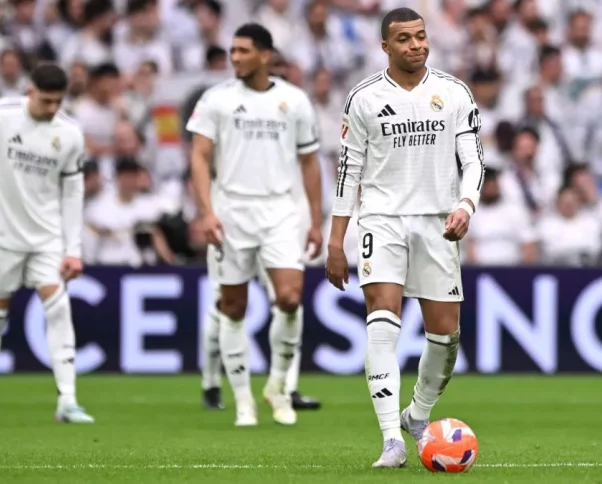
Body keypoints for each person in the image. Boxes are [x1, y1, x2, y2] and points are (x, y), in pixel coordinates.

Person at [325, 8, 484, 468]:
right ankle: (391, 441)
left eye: (420, 36)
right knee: (382, 317)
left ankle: (417, 415)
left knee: (446, 335)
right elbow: (348, 172)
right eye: (404, 39)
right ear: (385, 46)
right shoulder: (364, 98)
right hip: (382, 219)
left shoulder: (453, 92)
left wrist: (466, 205)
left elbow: (473, 160)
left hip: (438, 221)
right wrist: (336, 240)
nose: (416, 45)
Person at [186, 23, 323, 427]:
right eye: (233, 50)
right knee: (232, 306)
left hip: (280, 211)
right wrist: (206, 212)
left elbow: (310, 162)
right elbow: (199, 156)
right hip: (231, 211)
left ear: (266, 55)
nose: (235, 57)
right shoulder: (217, 99)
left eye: (244, 50)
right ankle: (243, 399)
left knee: (290, 297)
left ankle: (277, 386)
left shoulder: (294, 100)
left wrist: (316, 221)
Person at [0, 63, 94, 425]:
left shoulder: (70, 132)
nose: (52, 109)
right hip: (0, 236)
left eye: (58, 102)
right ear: (30, 91)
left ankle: (68, 401)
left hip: (46, 238)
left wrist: (73, 249)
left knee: (59, 309)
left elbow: (72, 193)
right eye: (46, 101)